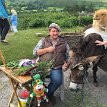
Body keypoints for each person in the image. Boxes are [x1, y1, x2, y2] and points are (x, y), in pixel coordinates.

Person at [33, 23, 70, 105]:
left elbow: (68, 56)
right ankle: (46, 95)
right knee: (34, 79)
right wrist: (47, 49)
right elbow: (35, 52)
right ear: (49, 32)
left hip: (56, 67)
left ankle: (44, 95)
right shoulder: (43, 41)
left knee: (57, 81)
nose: (55, 33)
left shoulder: (64, 42)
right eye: (53, 31)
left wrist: (66, 64)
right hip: (43, 67)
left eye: (57, 31)